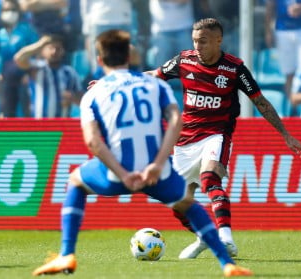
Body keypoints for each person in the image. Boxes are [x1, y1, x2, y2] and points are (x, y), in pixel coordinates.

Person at [31, 29, 253, 277]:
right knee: (188, 203)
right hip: (154, 171)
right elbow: (176, 121)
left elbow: (93, 142)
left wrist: (122, 174)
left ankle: (67, 255)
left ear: (100, 60)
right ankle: (227, 264)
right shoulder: (153, 84)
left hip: (117, 172)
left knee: (75, 182)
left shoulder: (95, 91)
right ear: (130, 56)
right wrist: (158, 164)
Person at [146, 18, 301, 259]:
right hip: (185, 140)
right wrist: (111, 83)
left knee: (210, 179)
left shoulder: (234, 69)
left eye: (203, 41)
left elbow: (260, 101)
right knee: (178, 202)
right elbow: (154, 75)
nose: (197, 46)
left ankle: (226, 238)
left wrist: (285, 134)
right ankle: (204, 237)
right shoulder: (184, 60)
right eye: (195, 41)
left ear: (218, 41)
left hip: (216, 135)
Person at [264, 0, 301, 101]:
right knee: (289, 73)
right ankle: (291, 108)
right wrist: (268, 32)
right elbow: (270, 6)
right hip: (283, 31)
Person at [14, 35, 83, 118]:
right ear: (42, 51)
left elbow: (82, 99)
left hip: (62, 125)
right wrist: (40, 44)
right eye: (50, 48)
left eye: (58, 48)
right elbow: (19, 58)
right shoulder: (36, 68)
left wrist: (72, 98)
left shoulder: (70, 72)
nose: (54, 52)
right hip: (39, 125)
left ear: (63, 51)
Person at [0, 0, 39, 117]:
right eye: (6, 10)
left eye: (13, 10)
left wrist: (29, 72)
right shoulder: (0, 34)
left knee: (28, 113)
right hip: (7, 79)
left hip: (25, 78)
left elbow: (35, 54)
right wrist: (0, 74)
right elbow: (1, 59)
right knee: (7, 114)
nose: (9, 13)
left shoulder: (27, 30)